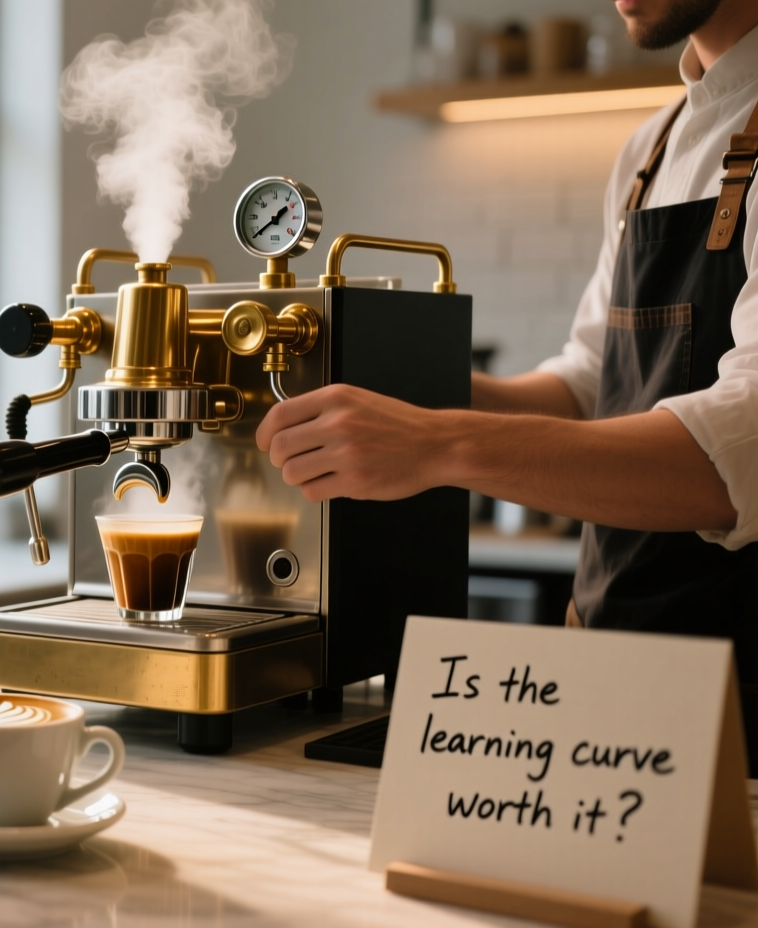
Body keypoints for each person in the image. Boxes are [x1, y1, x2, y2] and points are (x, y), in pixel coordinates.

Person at [256, 0, 758, 774]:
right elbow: (591, 382)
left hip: (740, 699)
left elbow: (737, 457)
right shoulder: (650, 150)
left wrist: (437, 443)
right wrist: (393, 382)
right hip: (614, 675)